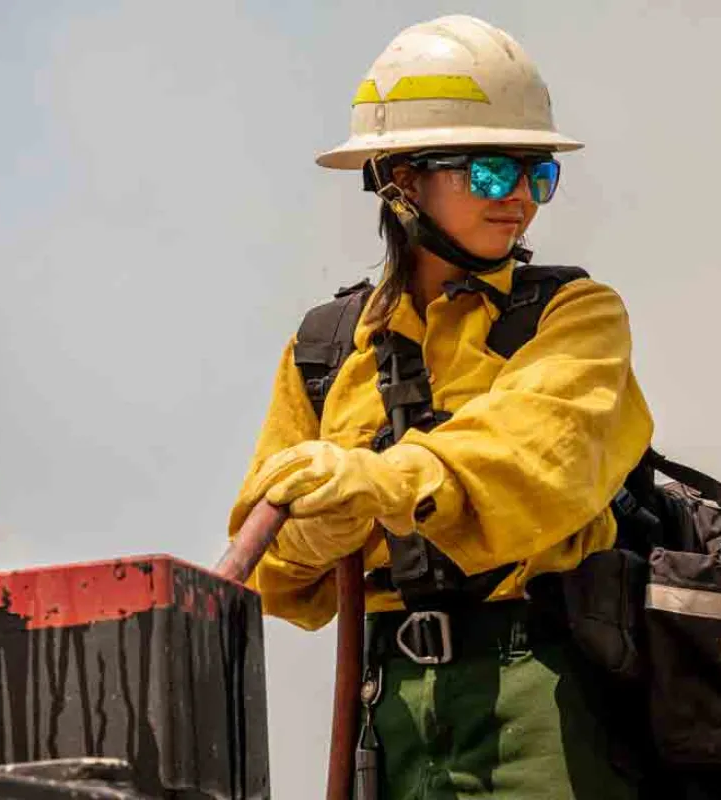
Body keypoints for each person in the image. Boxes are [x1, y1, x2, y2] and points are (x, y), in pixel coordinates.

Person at [228, 14, 654, 799]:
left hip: (542, 689)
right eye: (492, 173)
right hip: (385, 705)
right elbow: (272, 569)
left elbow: (535, 453)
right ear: (401, 180)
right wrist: (316, 532)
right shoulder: (326, 349)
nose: (520, 198)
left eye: (539, 175)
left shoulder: (575, 316)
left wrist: (386, 482)